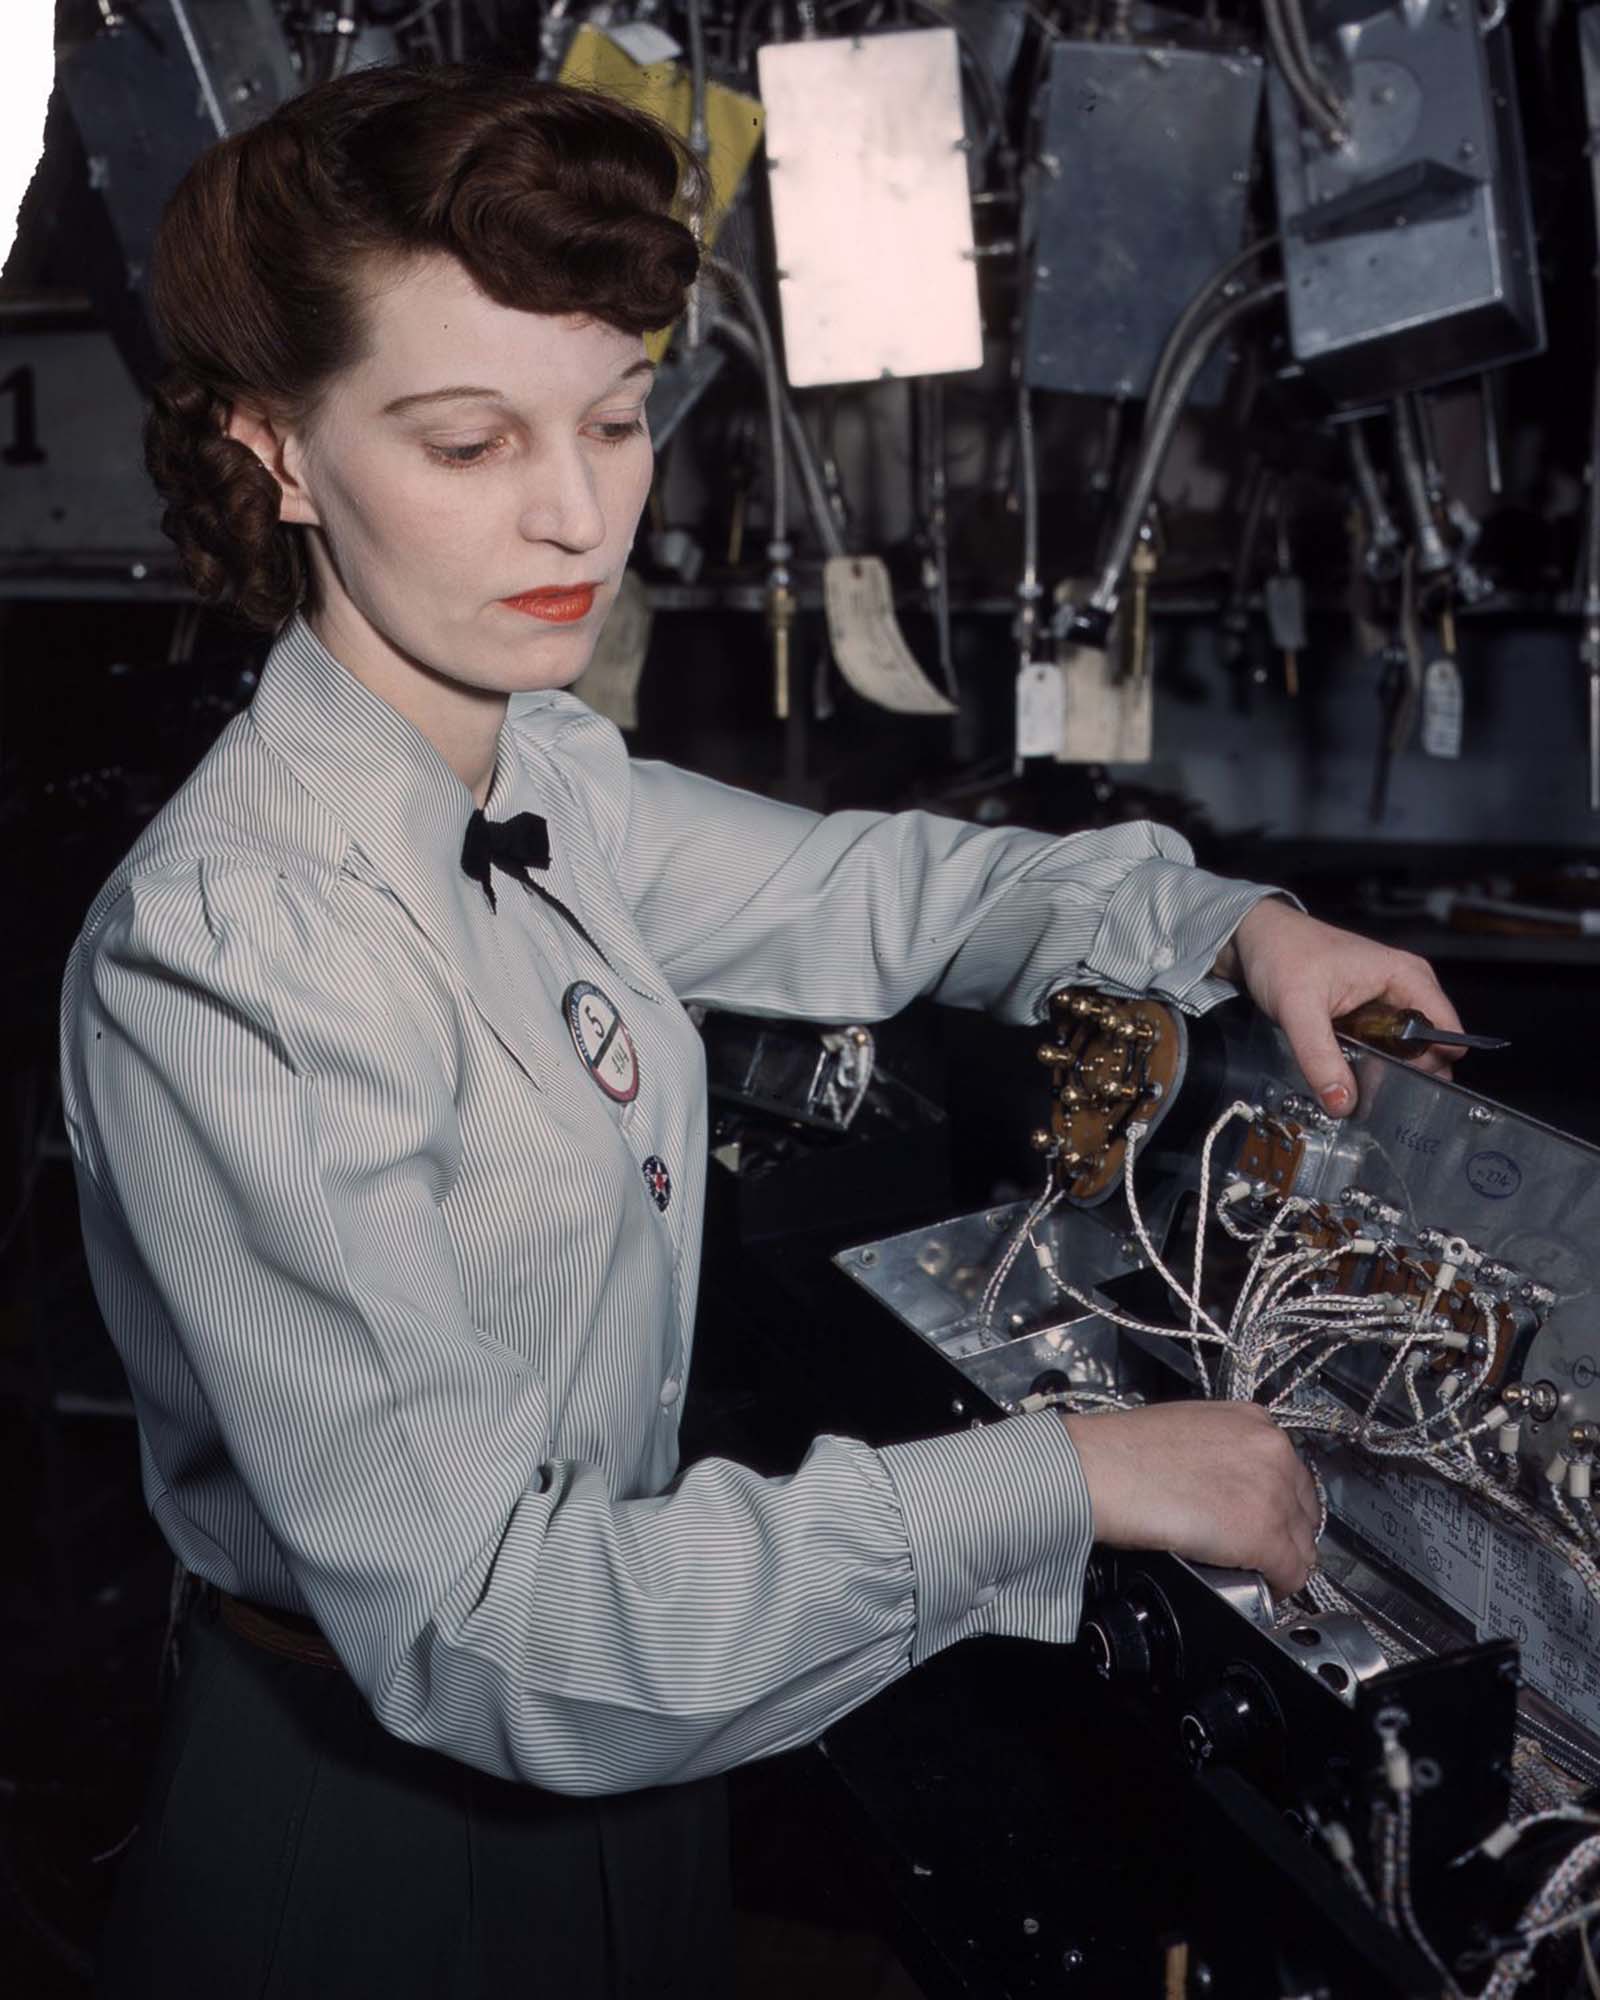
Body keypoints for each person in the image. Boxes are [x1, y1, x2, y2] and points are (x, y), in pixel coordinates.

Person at [60, 62, 1463, 1998]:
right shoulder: (233, 949)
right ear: (277, 451)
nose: (574, 507)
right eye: (464, 441)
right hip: (373, 1846)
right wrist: (1071, 1473)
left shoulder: (532, 767)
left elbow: (883, 896)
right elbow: (485, 1623)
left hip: (645, 1787)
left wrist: (1232, 926)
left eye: (616, 416)